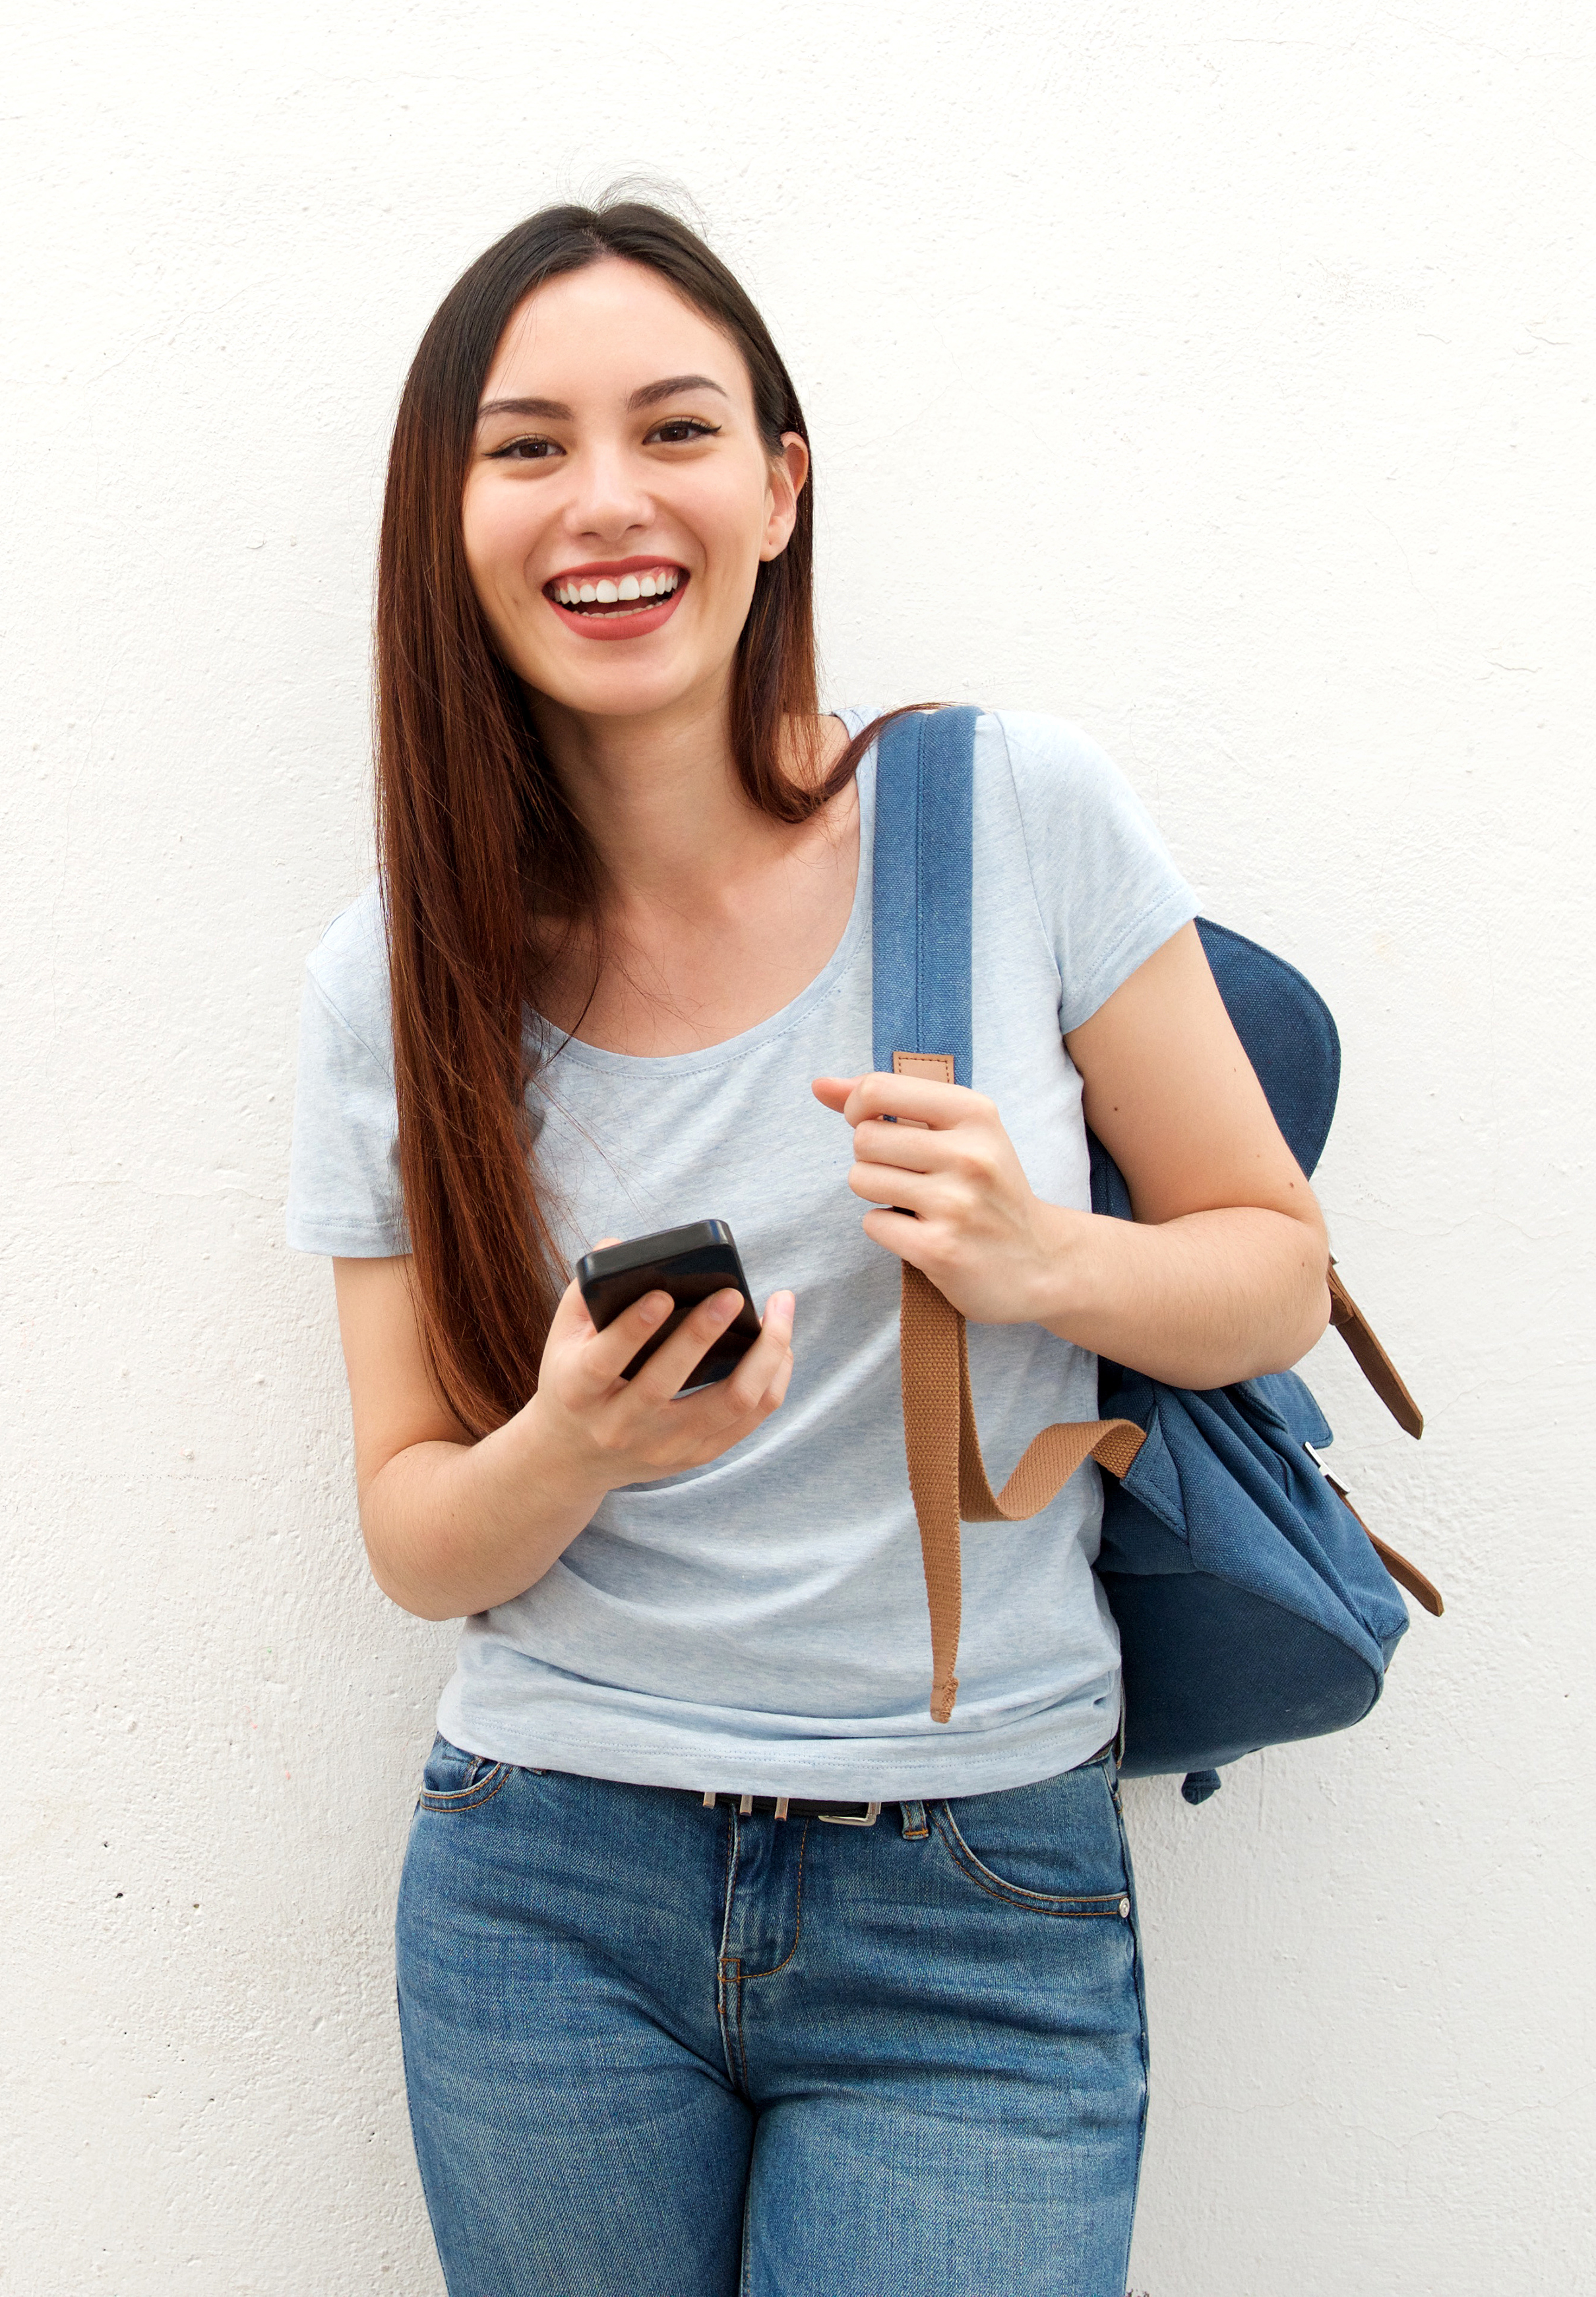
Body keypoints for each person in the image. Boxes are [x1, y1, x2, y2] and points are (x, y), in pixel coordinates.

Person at [284, 199, 1334, 2296]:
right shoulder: (395, 988)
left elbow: (1273, 1265)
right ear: (448, 521)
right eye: (527, 447)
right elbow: (415, 1531)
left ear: (777, 487)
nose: (607, 498)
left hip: (979, 1907)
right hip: (547, 1889)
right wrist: (574, 1445)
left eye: (675, 429)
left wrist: (1042, 1260)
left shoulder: (1013, 813)